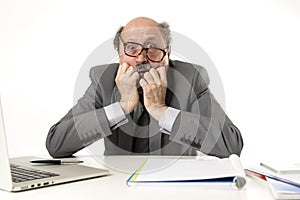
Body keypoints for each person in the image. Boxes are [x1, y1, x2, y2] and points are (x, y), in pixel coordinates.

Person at [46, 17, 243, 158]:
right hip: (114, 189)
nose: (141, 58)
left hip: (176, 188)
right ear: (119, 53)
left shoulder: (190, 79)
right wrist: (121, 107)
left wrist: (161, 110)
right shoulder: (103, 79)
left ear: (168, 54)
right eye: (132, 48)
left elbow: (231, 145)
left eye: (152, 49)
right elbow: (56, 144)